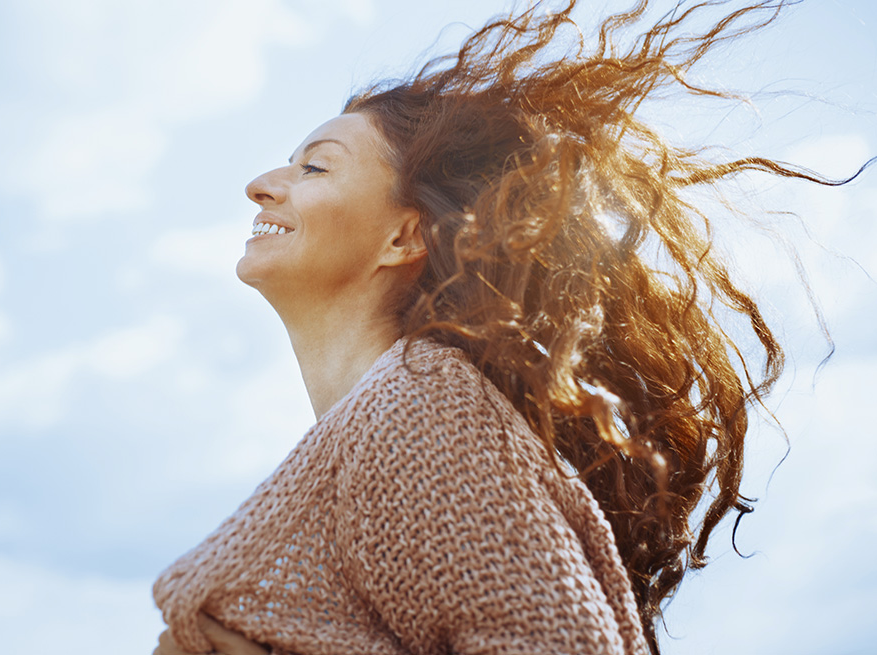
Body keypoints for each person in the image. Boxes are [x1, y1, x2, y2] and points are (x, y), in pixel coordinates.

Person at [152, 1, 868, 654]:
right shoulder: (390, 418)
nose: (261, 184)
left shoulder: (418, 408)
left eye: (314, 167)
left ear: (405, 236)